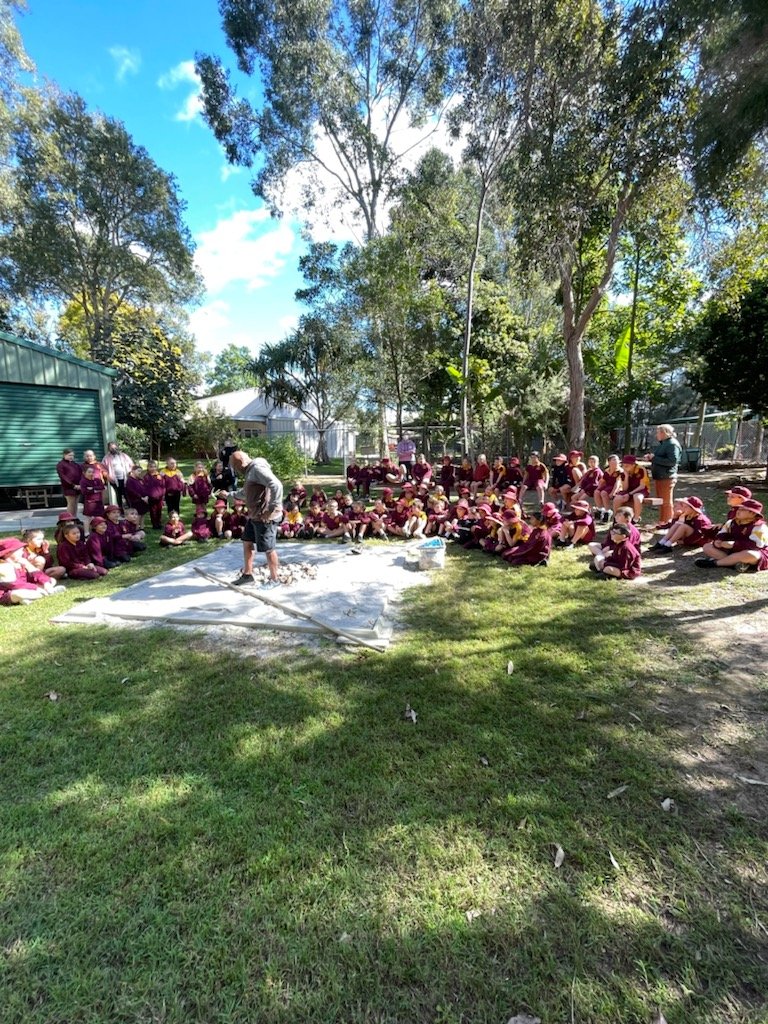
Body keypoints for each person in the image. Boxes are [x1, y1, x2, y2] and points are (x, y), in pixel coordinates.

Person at [230, 450, 284, 588]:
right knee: (247, 541)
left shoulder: (257, 469)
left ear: (241, 463)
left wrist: (271, 508)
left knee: (268, 548)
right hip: (255, 516)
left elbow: (276, 485)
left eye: (235, 467)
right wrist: (230, 495)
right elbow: (246, 493)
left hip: (265, 517)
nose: (236, 471)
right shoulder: (250, 472)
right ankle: (247, 575)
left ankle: (275, 580)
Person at [695, 499, 768, 572]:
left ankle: (715, 563)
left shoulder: (759, 527)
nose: (738, 511)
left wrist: (734, 544)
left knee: (751, 554)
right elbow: (723, 533)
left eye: (743, 510)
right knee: (707, 547)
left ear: (752, 513)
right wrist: (719, 541)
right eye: (739, 508)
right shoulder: (731, 522)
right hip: (732, 550)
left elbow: (755, 546)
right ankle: (736, 563)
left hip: (749, 552)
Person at [645, 424, 683, 525]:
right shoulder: (664, 443)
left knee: (666, 501)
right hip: (660, 477)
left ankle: (667, 522)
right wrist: (651, 457)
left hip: (667, 477)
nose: (656, 434)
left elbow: (672, 461)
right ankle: (662, 522)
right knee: (661, 500)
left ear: (664, 433)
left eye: (658, 432)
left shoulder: (672, 444)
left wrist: (654, 458)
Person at [101, 442, 134, 511]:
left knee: (126, 493)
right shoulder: (106, 458)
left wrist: (131, 472)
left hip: (125, 478)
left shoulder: (123, 456)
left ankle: (131, 509)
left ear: (117, 447)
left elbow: (131, 464)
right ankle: (120, 510)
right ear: (109, 449)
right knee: (118, 494)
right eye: (111, 448)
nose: (113, 449)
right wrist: (107, 476)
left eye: (115, 447)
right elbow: (103, 468)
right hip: (114, 479)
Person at [56, 448, 82, 516]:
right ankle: (69, 519)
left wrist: (80, 484)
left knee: (76, 504)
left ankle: (75, 518)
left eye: (72, 455)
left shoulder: (75, 464)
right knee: (71, 504)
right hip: (69, 487)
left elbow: (81, 474)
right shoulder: (61, 464)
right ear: (64, 455)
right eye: (69, 455)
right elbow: (63, 477)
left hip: (78, 487)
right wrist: (73, 485)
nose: (71, 457)